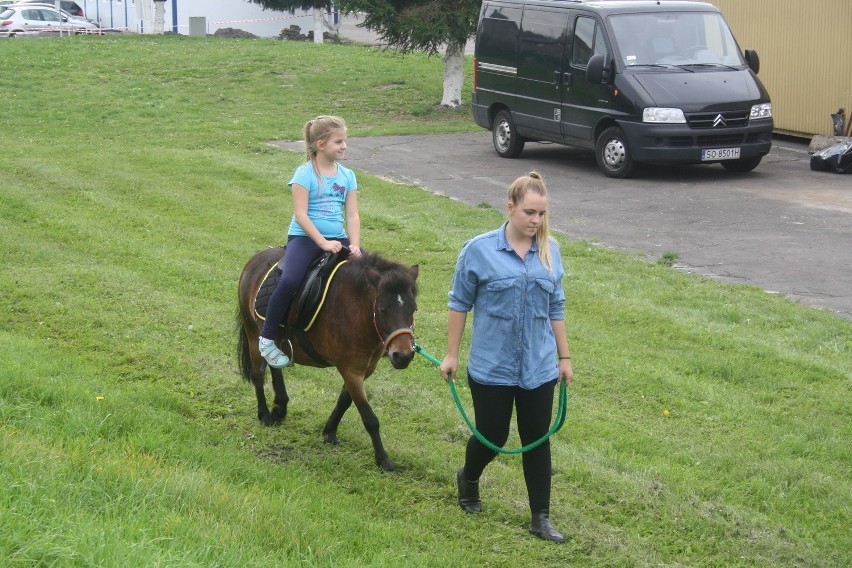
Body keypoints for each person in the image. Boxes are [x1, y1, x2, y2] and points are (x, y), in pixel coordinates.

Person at [439, 171, 573, 544]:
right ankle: (468, 477)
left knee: (537, 438)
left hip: (539, 366)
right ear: (510, 207)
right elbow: (458, 303)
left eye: (542, 214)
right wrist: (451, 355)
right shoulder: (478, 250)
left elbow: (556, 306)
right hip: (491, 365)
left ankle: (540, 517)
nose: (536, 221)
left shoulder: (550, 250)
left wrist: (564, 358)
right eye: (530, 212)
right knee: (492, 435)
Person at [258, 115, 362, 368]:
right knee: (291, 278)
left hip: (339, 238)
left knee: (370, 274)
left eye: (345, 141)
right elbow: (301, 215)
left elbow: (352, 214)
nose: (344, 146)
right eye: (338, 141)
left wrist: (355, 244)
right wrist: (323, 243)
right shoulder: (304, 174)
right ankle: (267, 338)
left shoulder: (347, 175)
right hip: (305, 238)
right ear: (321, 144)